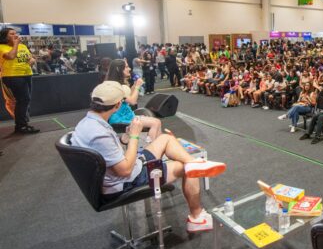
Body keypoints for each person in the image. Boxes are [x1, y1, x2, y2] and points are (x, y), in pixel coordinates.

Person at [71, 82, 226, 232]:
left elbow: (106, 153)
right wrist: (134, 136)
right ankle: (197, 217)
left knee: (165, 139)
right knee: (186, 168)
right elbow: (125, 170)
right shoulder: (100, 134)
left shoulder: (86, 124)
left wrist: (124, 138)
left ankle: (194, 162)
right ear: (118, 105)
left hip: (119, 173)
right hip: (127, 180)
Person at [105, 59, 163, 141]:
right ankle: (152, 148)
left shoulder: (116, 83)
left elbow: (128, 96)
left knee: (155, 122)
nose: (129, 69)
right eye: (126, 67)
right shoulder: (118, 86)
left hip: (126, 115)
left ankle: (155, 144)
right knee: (156, 123)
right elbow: (132, 101)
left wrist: (135, 85)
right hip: (120, 119)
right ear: (118, 69)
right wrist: (138, 86)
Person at [0, 27, 39, 133]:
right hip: (12, 76)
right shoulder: (2, 47)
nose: (15, 35)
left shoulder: (23, 46)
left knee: (26, 100)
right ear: (5, 36)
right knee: (23, 100)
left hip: (27, 74)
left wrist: (32, 60)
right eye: (11, 34)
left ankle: (22, 124)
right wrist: (16, 43)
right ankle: (21, 126)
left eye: (15, 33)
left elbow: (29, 57)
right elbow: (11, 56)